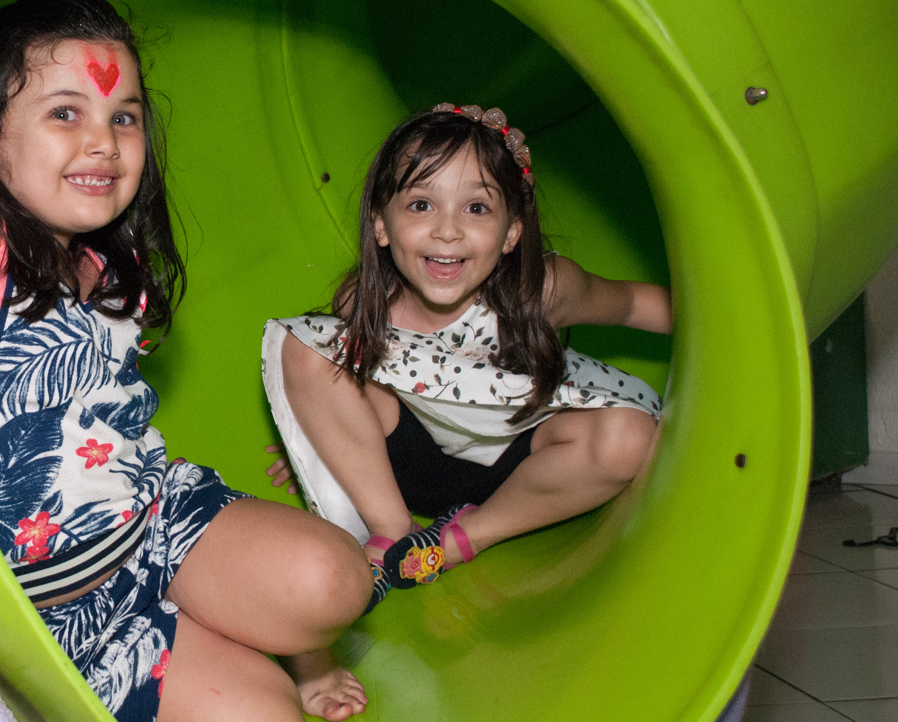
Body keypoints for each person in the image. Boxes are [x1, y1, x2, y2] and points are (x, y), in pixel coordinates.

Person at [0, 0, 372, 722]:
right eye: (65, 113)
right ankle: (143, 684)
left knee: (339, 576)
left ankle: (250, 631)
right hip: (52, 605)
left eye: (125, 117)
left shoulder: (104, 258)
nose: (103, 142)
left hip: (154, 524)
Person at [262, 103, 671, 612]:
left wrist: (733, 330)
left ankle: (469, 535)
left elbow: (632, 305)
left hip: (529, 469)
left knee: (628, 439)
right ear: (382, 226)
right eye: (421, 205)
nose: (447, 231)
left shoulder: (542, 289)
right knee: (311, 349)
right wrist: (316, 443)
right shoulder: (366, 299)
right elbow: (332, 390)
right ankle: (393, 530)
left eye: (476, 208)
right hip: (411, 466)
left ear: (512, 233)